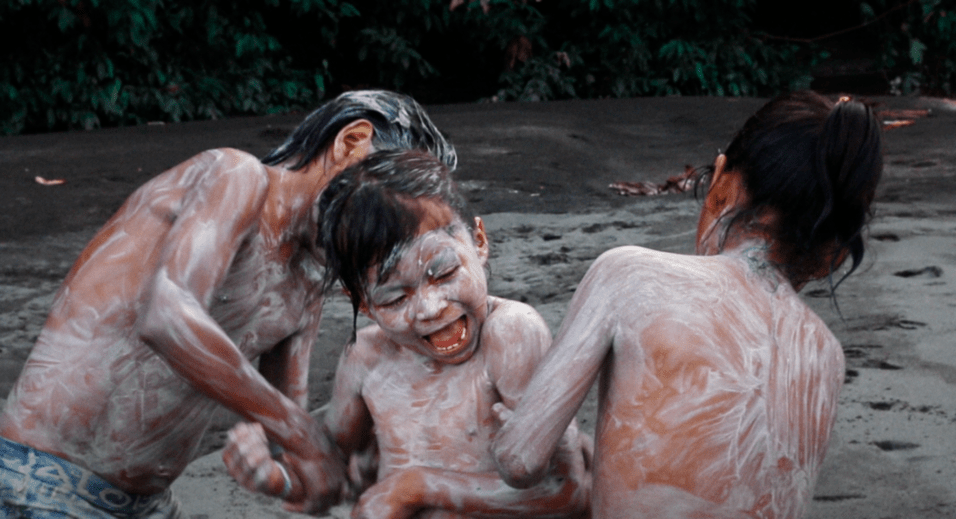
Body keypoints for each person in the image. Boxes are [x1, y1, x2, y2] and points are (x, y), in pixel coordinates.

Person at [0, 90, 456, 518]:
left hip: (146, 504)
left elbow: (286, 435)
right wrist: (306, 438)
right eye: (384, 212)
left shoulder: (310, 276)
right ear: (352, 142)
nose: (375, 237)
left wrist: (333, 469)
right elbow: (167, 317)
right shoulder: (235, 178)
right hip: (34, 481)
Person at [492, 91, 883, 518]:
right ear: (834, 252)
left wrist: (563, 441)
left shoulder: (629, 276)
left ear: (722, 183)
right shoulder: (826, 354)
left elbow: (520, 460)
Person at [222, 149, 591, 519]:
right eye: (396, 298)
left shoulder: (509, 335)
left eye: (444, 273)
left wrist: (413, 487)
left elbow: (567, 491)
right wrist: (274, 477)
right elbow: (332, 476)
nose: (430, 309)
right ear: (362, 303)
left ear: (478, 241)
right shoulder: (366, 358)